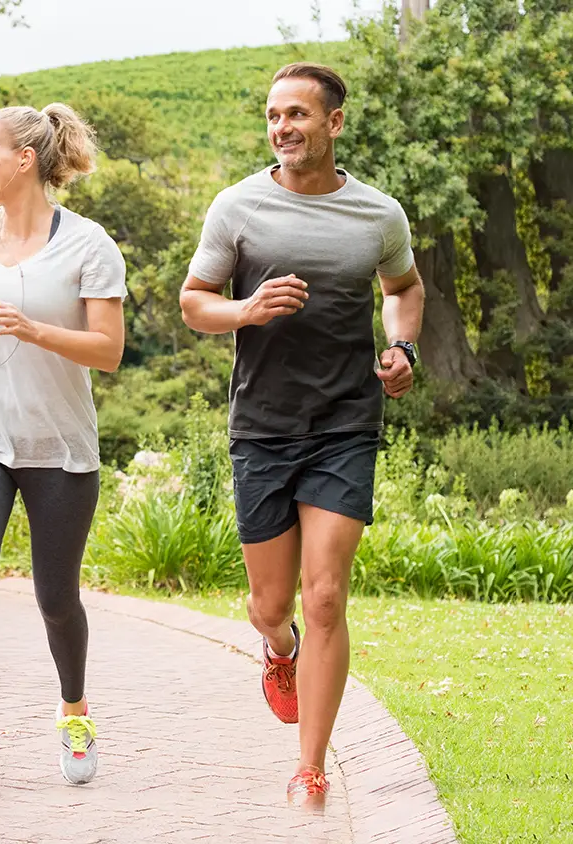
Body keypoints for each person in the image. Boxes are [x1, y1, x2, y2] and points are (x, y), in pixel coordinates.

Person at [180, 62, 424, 805]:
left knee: (325, 596)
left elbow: (403, 288)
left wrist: (402, 348)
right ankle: (276, 651)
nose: (282, 127)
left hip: (345, 420)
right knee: (271, 605)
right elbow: (194, 302)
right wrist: (246, 310)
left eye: (297, 115)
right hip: (261, 424)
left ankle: (310, 768)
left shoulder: (377, 215)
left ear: (334, 123)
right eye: (272, 116)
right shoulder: (236, 207)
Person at [0, 103, 126, 797]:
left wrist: (36, 331)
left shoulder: (88, 244)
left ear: (23, 160)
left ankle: (74, 711)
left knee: (56, 597)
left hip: (60, 446)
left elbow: (109, 350)